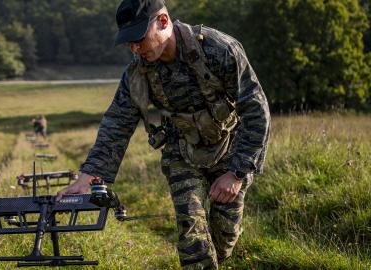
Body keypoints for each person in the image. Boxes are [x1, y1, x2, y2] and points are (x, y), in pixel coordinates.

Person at [57, 0, 270, 269]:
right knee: (192, 236)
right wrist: (87, 177)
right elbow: (118, 123)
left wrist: (237, 173)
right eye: (129, 42)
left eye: (139, 38)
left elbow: (256, 110)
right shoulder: (138, 72)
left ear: (163, 22)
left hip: (230, 150)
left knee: (223, 238)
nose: (134, 48)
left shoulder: (219, 49)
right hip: (182, 154)